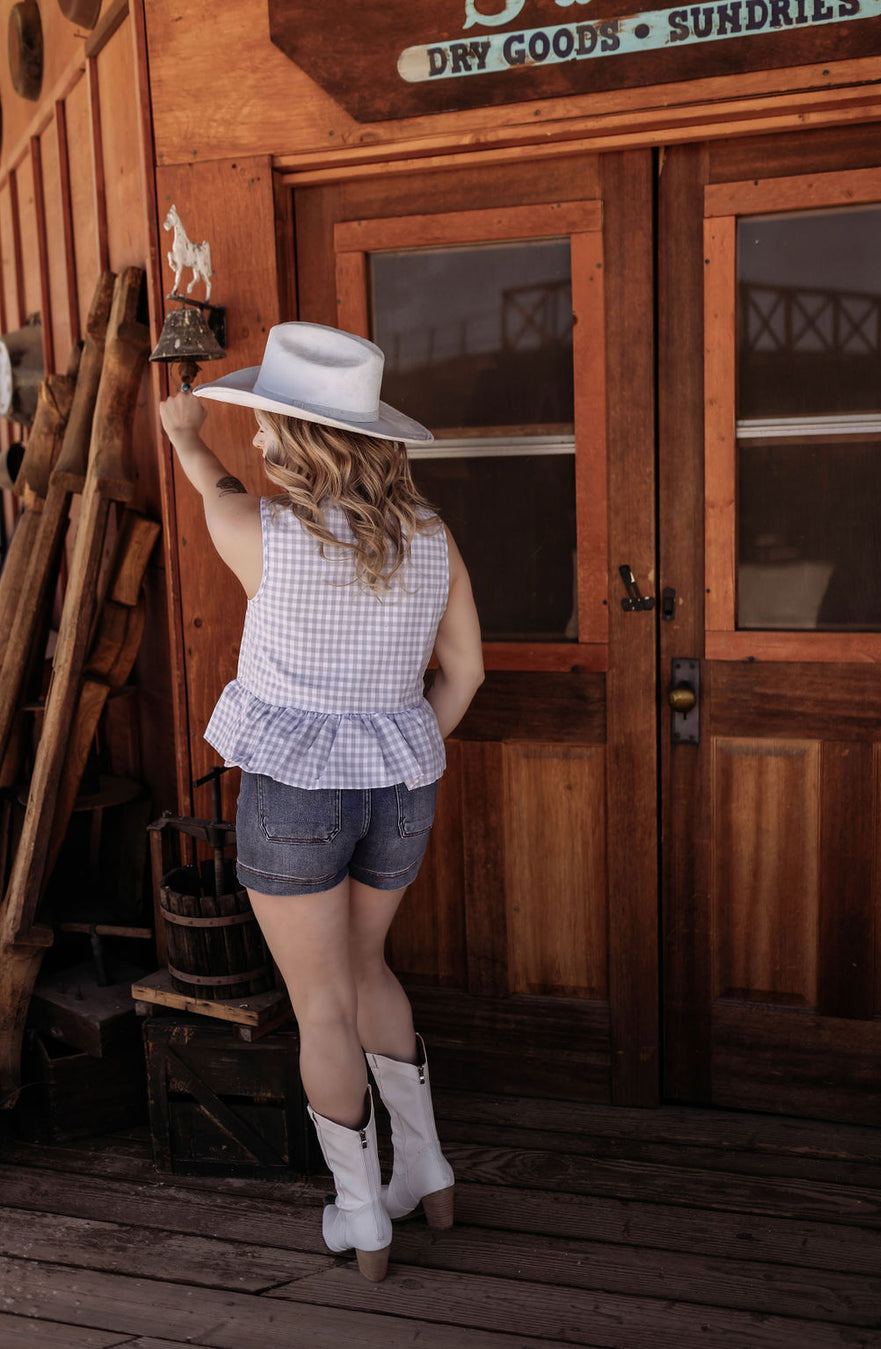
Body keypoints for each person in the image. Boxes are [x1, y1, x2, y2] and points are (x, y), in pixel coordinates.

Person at [158, 322, 484, 1283]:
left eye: (264, 425)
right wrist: (396, 741)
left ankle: (360, 1215)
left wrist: (186, 434)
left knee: (323, 1007)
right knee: (370, 967)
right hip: (400, 788)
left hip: (296, 796)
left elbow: (214, 485)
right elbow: (464, 673)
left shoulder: (264, 530)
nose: (253, 441)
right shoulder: (430, 538)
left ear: (302, 440)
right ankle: (425, 1170)